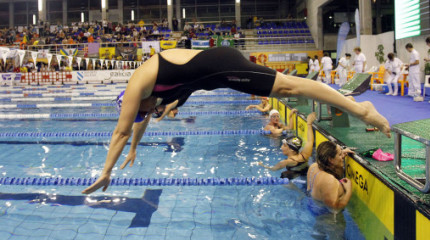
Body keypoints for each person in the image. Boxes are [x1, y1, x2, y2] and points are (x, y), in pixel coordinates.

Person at [81, 47, 391, 194]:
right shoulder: (146, 98)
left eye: (144, 110)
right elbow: (136, 125)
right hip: (212, 76)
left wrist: (106, 171)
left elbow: (121, 129)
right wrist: (134, 149)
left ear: (134, 102)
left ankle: (360, 109)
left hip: (220, 66)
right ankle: (355, 105)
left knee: (286, 86)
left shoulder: (138, 84)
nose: (148, 113)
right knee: (286, 88)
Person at [259, 112, 316, 179]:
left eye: (284, 146)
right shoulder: (304, 155)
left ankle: (298, 190)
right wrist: (309, 124)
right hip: (306, 174)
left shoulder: (287, 162)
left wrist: (263, 166)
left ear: (291, 149)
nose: (281, 147)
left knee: (284, 176)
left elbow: (273, 169)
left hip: (297, 176)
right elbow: (310, 141)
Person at [306, 141, 354, 216]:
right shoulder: (329, 180)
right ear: (331, 159)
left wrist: (339, 155)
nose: (342, 157)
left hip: (313, 208)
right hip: (328, 221)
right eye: (339, 154)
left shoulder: (313, 167)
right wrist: (348, 190)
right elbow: (335, 210)